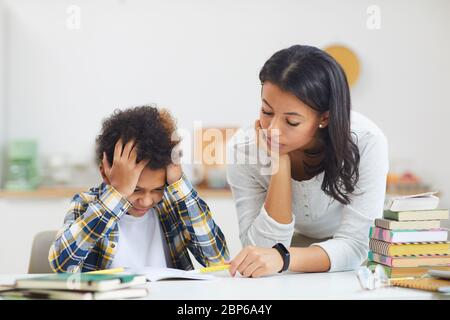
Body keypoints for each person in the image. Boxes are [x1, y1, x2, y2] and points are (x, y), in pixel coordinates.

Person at [226, 45, 388, 277]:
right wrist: (279, 165)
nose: (272, 130)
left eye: (291, 122)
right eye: (266, 111)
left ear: (324, 117)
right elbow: (261, 252)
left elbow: (355, 245)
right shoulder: (244, 149)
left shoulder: (367, 141)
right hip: (290, 264)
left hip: (349, 267)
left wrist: (284, 257)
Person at [49, 105, 229, 273]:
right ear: (105, 172)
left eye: (158, 189)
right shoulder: (85, 205)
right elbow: (62, 264)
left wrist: (178, 182)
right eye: (135, 190)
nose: (146, 201)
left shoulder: (171, 207)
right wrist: (117, 195)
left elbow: (218, 260)